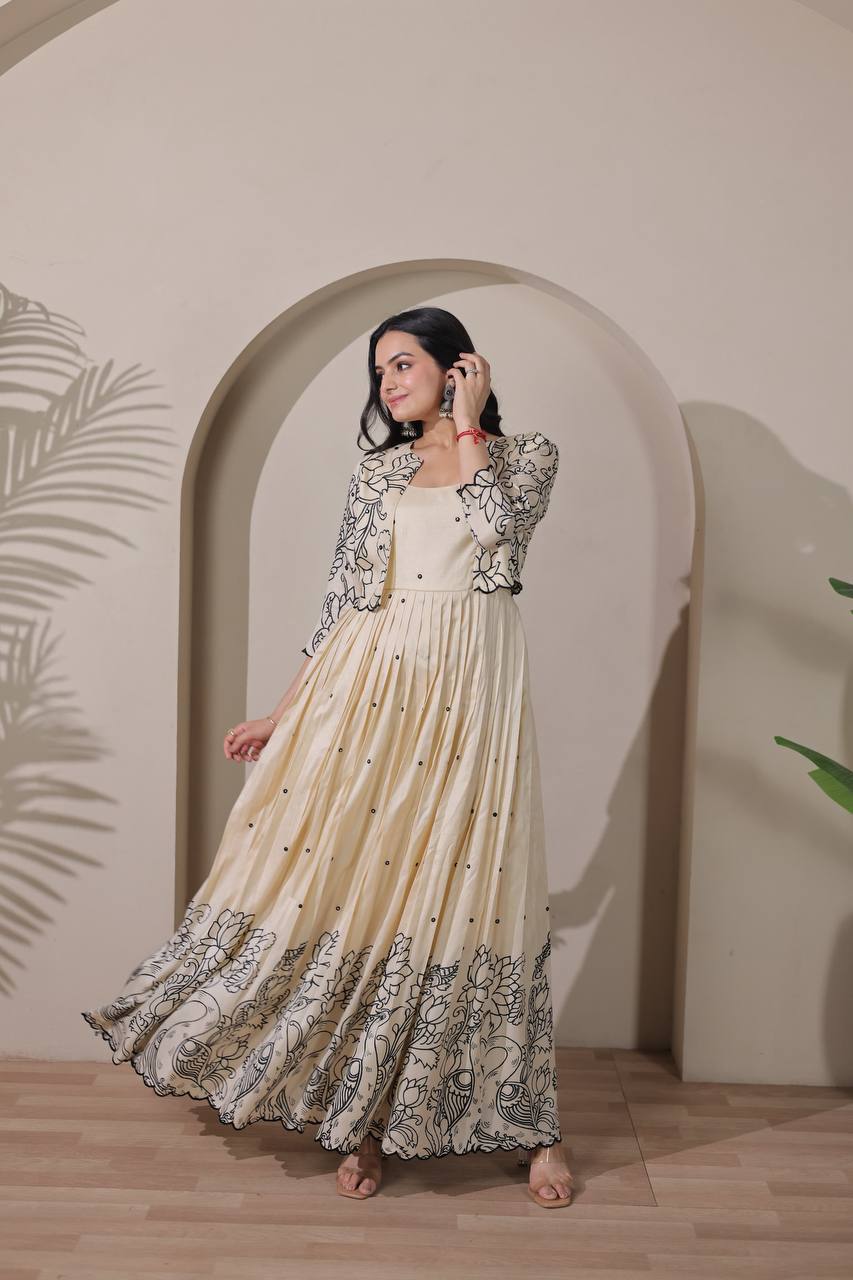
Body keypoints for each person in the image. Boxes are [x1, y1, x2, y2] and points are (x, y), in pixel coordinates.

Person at [81, 306, 573, 1207]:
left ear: (457, 367)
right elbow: (344, 600)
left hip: (475, 696)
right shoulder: (377, 473)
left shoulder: (523, 457)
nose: (387, 383)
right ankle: (365, 1119)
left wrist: (470, 424)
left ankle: (532, 1126)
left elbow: (497, 537)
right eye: (379, 370)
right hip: (375, 689)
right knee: (373, 893)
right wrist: (282, 712)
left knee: (476, 895)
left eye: (403, 363)